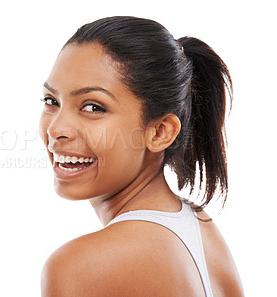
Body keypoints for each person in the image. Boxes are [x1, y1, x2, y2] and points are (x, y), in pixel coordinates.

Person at [39, 16, 244, 297]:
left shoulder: (79, 266)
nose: (56, 128)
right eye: (52, 101)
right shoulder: (198, 226)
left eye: (93, 107)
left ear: (160, 131)